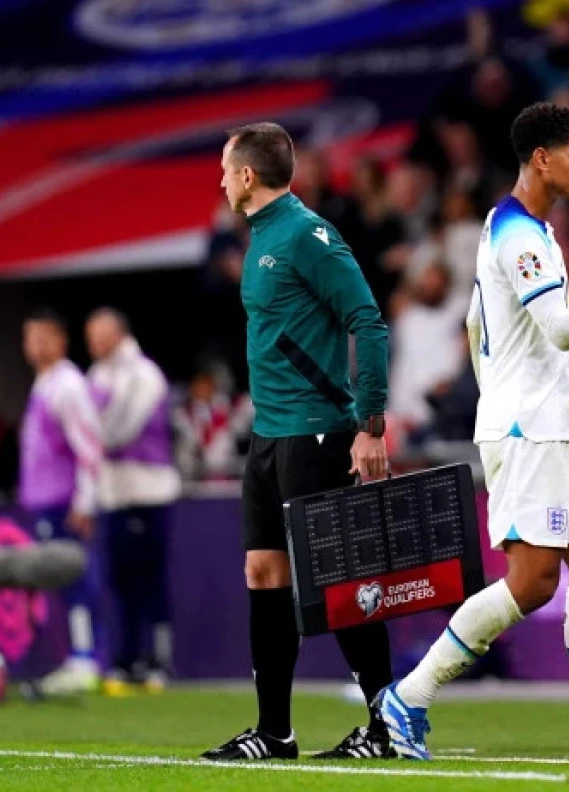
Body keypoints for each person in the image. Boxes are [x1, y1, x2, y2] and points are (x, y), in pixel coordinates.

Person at [375, 102, 569, 767]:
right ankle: (409, 696)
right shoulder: (517, 236)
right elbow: (562, 330)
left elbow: (481, 329)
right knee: (535, 580)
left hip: (556, 425)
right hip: (525, 429)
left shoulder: (520, 227)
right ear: (541, 159)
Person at [202, 122, 395, 763]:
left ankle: (385, 726)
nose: (221, 180)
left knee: (339, 583)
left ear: (248, 176)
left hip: (318, 430)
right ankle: (275, 733)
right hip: (269, 435)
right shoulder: (261, 236)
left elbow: (366, 318)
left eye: (226, 169)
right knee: (264, 572)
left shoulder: (307, 235)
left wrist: (370, 423)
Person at [85, 308, 182, 694]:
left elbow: (119, 428)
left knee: (149, 580)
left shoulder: (144, 374)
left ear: (120, 332)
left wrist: (87, 441)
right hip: (112, 494)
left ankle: (158, 661)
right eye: (90, 334)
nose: (94, 341)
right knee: (119, 580)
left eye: (101, 333)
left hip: (148, 492)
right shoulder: (96, 375)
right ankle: (125, 659)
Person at [18, 308, 105, 694]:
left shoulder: (68, 385)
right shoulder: (45, 383)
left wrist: (85, 502)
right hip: (44, 501)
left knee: (75, 580)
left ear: (60, 340)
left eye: (42, 337)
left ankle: (85, 658)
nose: (34, 346)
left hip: (64, 501)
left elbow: (89, 445)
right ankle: (76, 655)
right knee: (59, 582)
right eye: (28, 337)